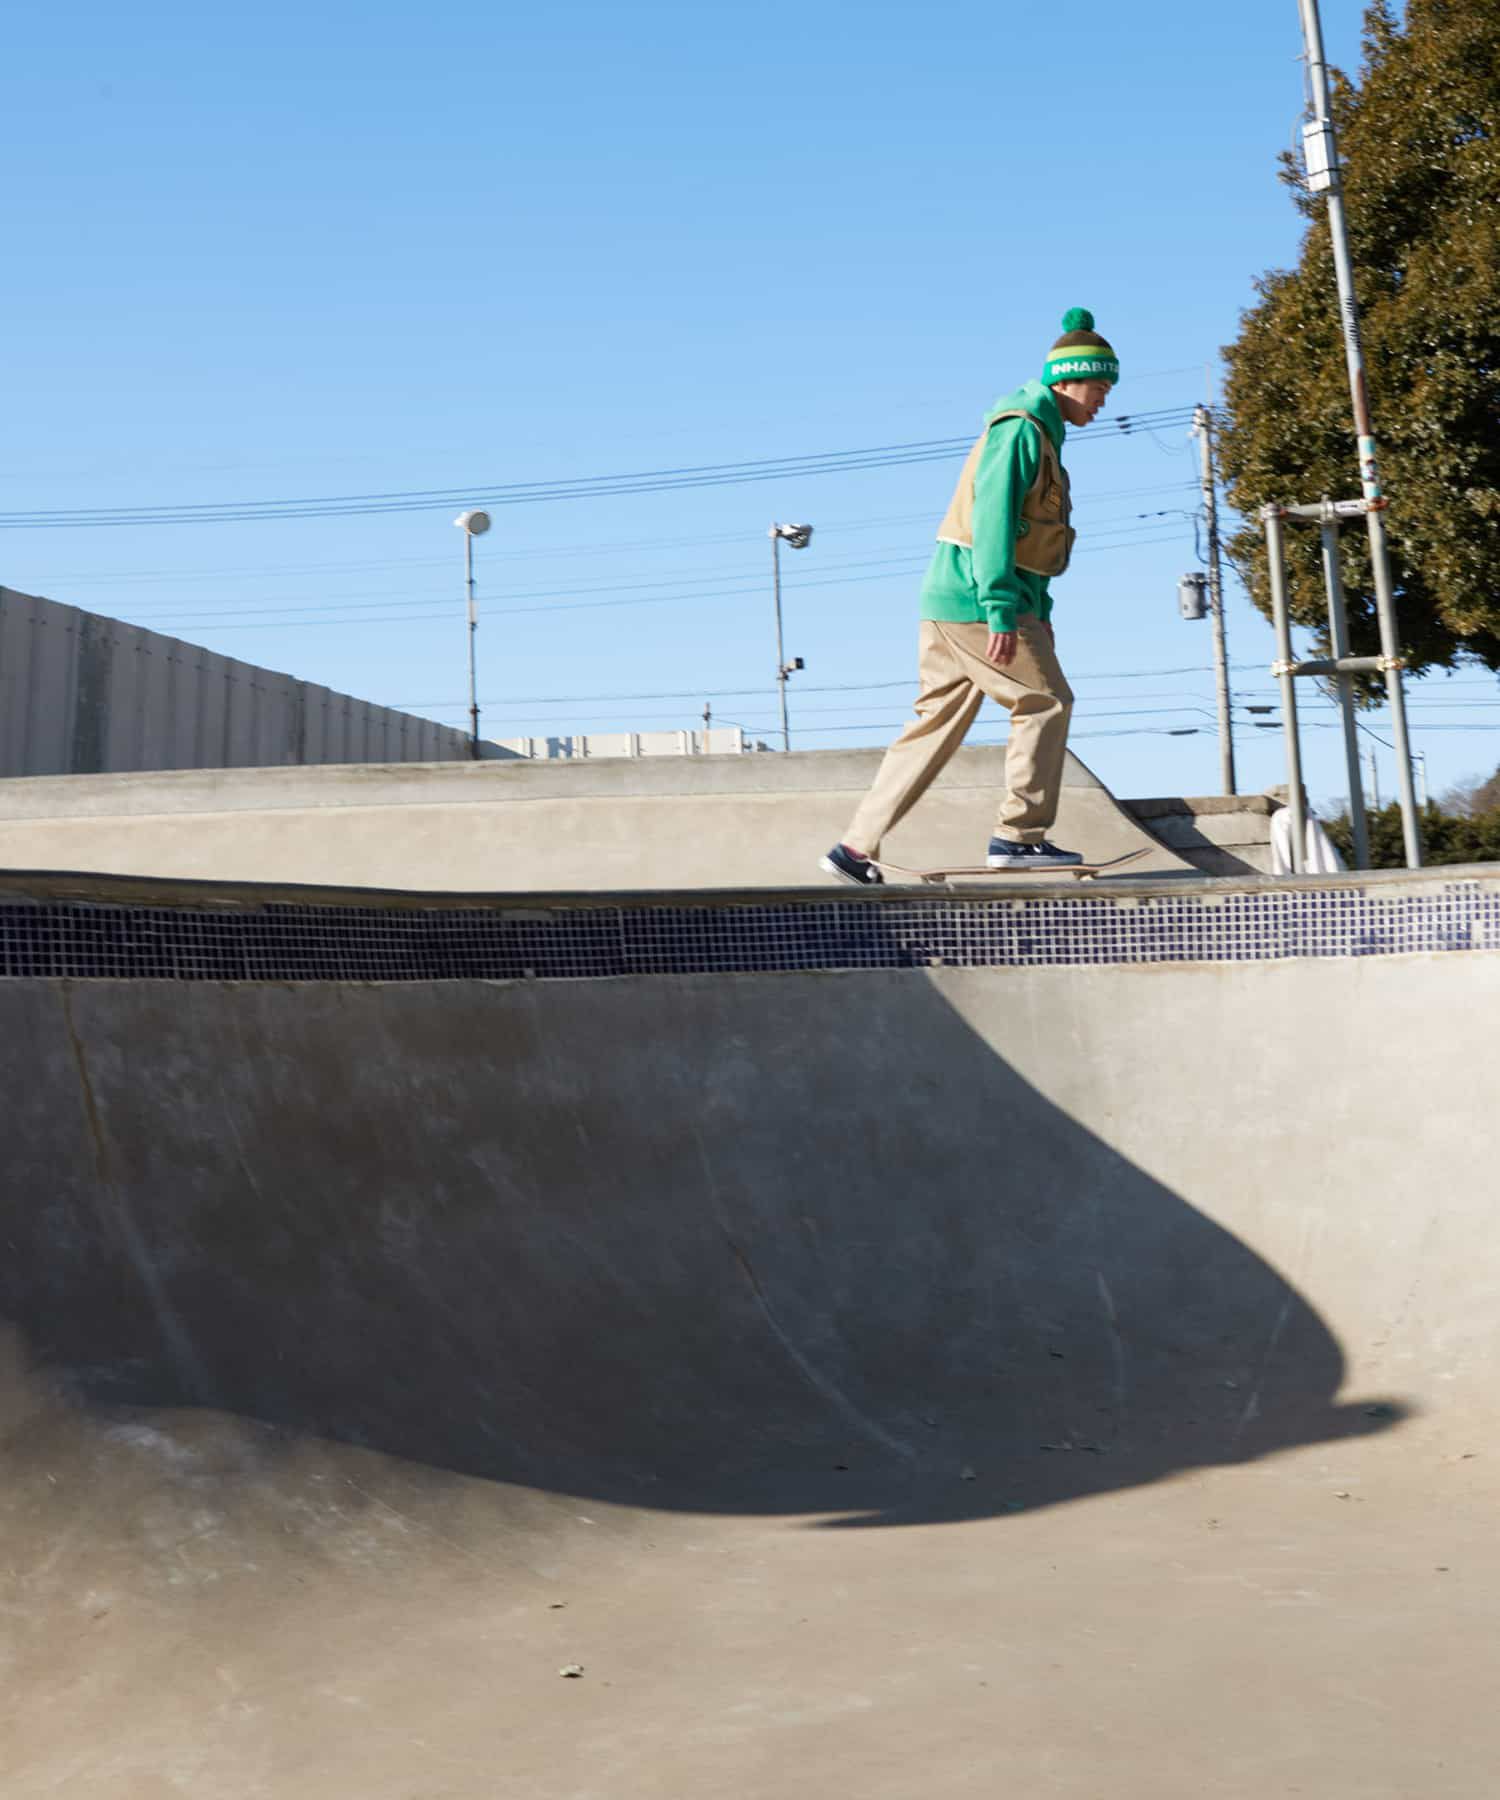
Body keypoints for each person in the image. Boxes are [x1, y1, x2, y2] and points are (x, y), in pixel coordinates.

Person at [821, 308, 1118, 886]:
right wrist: (1002, 609)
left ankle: (854, 848)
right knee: (1046, 701)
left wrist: (1039, 610)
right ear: (1068, 380)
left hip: (952, 599)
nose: (1103, 400)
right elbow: (993, 520)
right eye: (1099, 387)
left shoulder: (1043, 436)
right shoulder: (1021, 430)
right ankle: (1018, 836)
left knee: (934, 726)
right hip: (978, 597)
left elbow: (1034, 540)